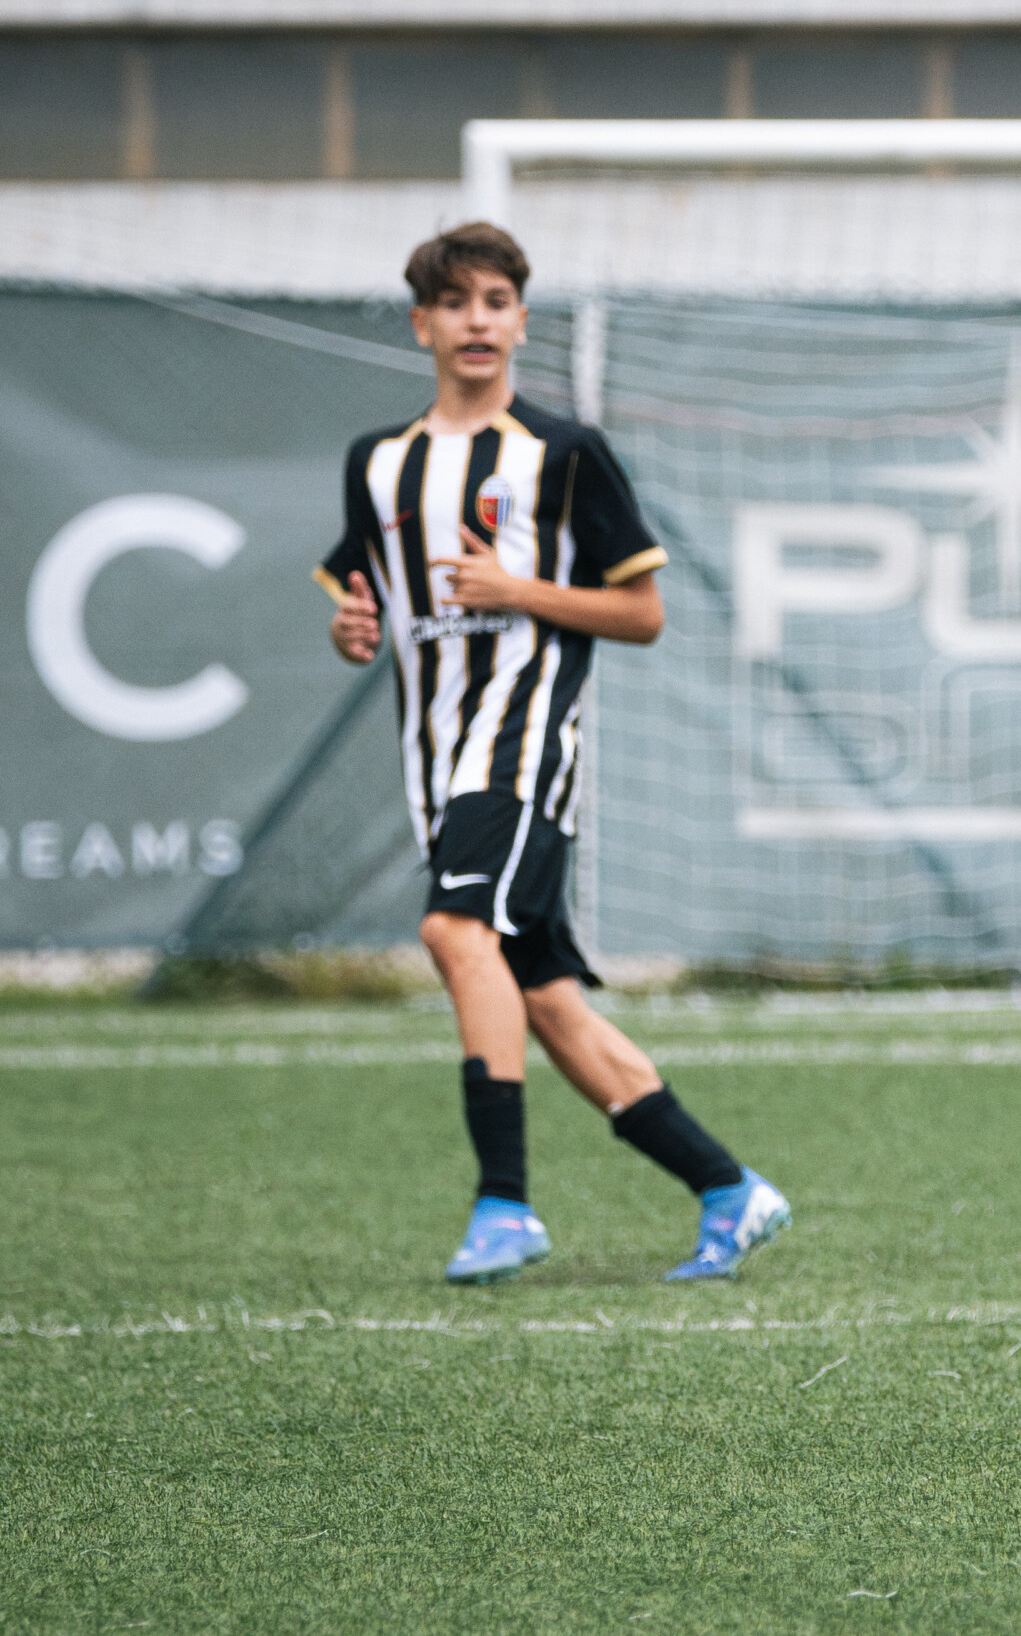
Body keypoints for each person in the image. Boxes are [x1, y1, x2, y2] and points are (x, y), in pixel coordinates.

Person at [318, 222, 789, 1281]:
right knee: (539, 995)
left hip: (524, 741)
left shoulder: (564, 452)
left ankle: (504, 1201)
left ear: (521, 321)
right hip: (434, 759)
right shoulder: (378, 463)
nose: (475, 320)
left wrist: (518, 590)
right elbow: (364, 600)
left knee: (453, 928)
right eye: (455, 303)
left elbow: (643, 613)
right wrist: (351, 627)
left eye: (495, 300)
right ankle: (727, 1185)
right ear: (422, 324)